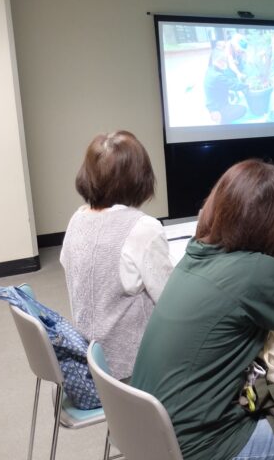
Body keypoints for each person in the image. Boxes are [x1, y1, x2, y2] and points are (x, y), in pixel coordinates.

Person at [131, 160, 274, 460]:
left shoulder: (195, 253)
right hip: (200, 446)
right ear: (271, 222)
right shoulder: (255, 271)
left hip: (147, 430)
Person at [60, 131, 173, 380]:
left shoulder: (77, 219)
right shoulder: (143, 228)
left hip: (89, 362)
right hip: (135, 371)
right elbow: (171, 301)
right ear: (140, 177)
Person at [204, 47, 248, 124]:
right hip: (218, 109)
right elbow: (234, 85)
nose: (223, 63)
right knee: (243, 109)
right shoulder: (217, 75)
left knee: (233, 100)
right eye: (220, 61)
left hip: (212, 105)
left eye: (224, 60)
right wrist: (247, 85)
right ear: (214, 60)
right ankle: (221, 119)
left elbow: (219, 86)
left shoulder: (210, 70)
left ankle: (220, 116)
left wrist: (228, 93)